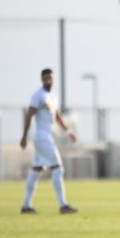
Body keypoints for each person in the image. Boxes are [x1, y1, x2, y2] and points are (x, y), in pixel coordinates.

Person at [20, 68, 78, 215]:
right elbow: (29, 115)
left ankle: (26, 205)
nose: (48, 81)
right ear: (41, 80)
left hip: (48, 137)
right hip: (41, 137)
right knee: (58, 167)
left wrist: (68, 131)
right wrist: (24, 136)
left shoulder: (52, 96)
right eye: (45, 79)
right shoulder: (38, 95)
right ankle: (63, 204)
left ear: (53, 79)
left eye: (50, 78)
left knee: (37, 169)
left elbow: (57, 116)